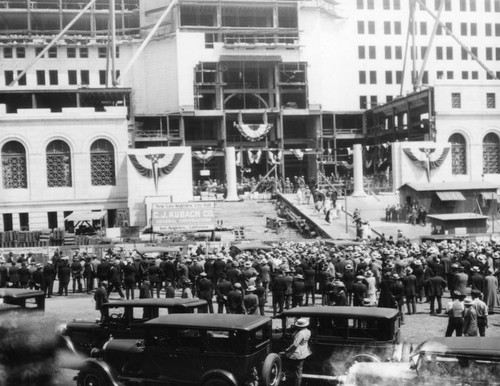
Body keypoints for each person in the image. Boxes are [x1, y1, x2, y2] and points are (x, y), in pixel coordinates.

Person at [283, 318, 312, 386]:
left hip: (297, 353)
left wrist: (287, 350)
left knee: (297, 372)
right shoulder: (308, 331)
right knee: (299, 371)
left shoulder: (300, 333)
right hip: (304, 351)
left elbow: (295, 345)